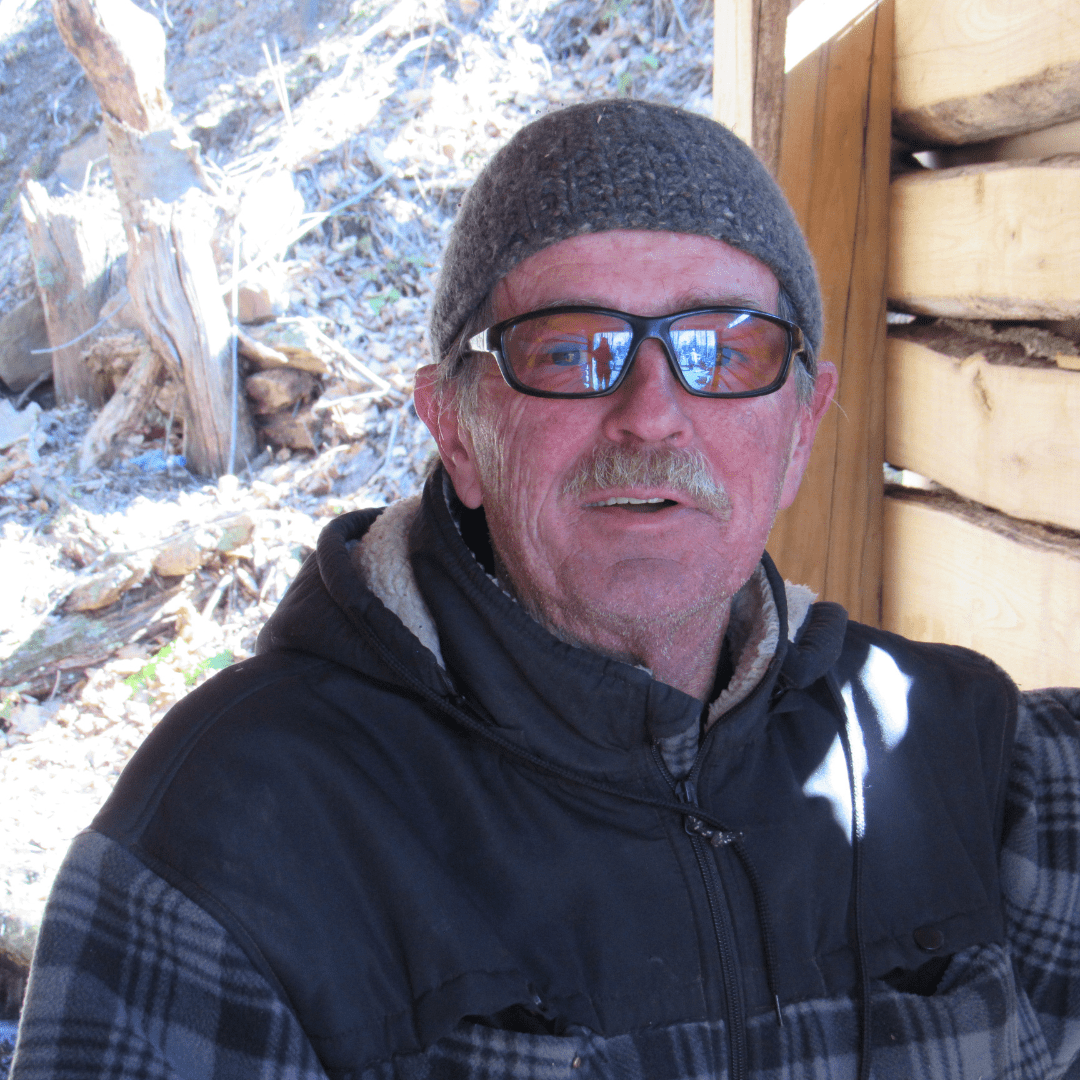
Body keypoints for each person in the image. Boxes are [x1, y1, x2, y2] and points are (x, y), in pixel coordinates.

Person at [10, 100, 1080, 1080]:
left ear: (803, 427)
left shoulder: (981, 769)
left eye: (724, 349)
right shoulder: (227, 844)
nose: (654, 413)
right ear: (457, 430)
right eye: (572, 352)